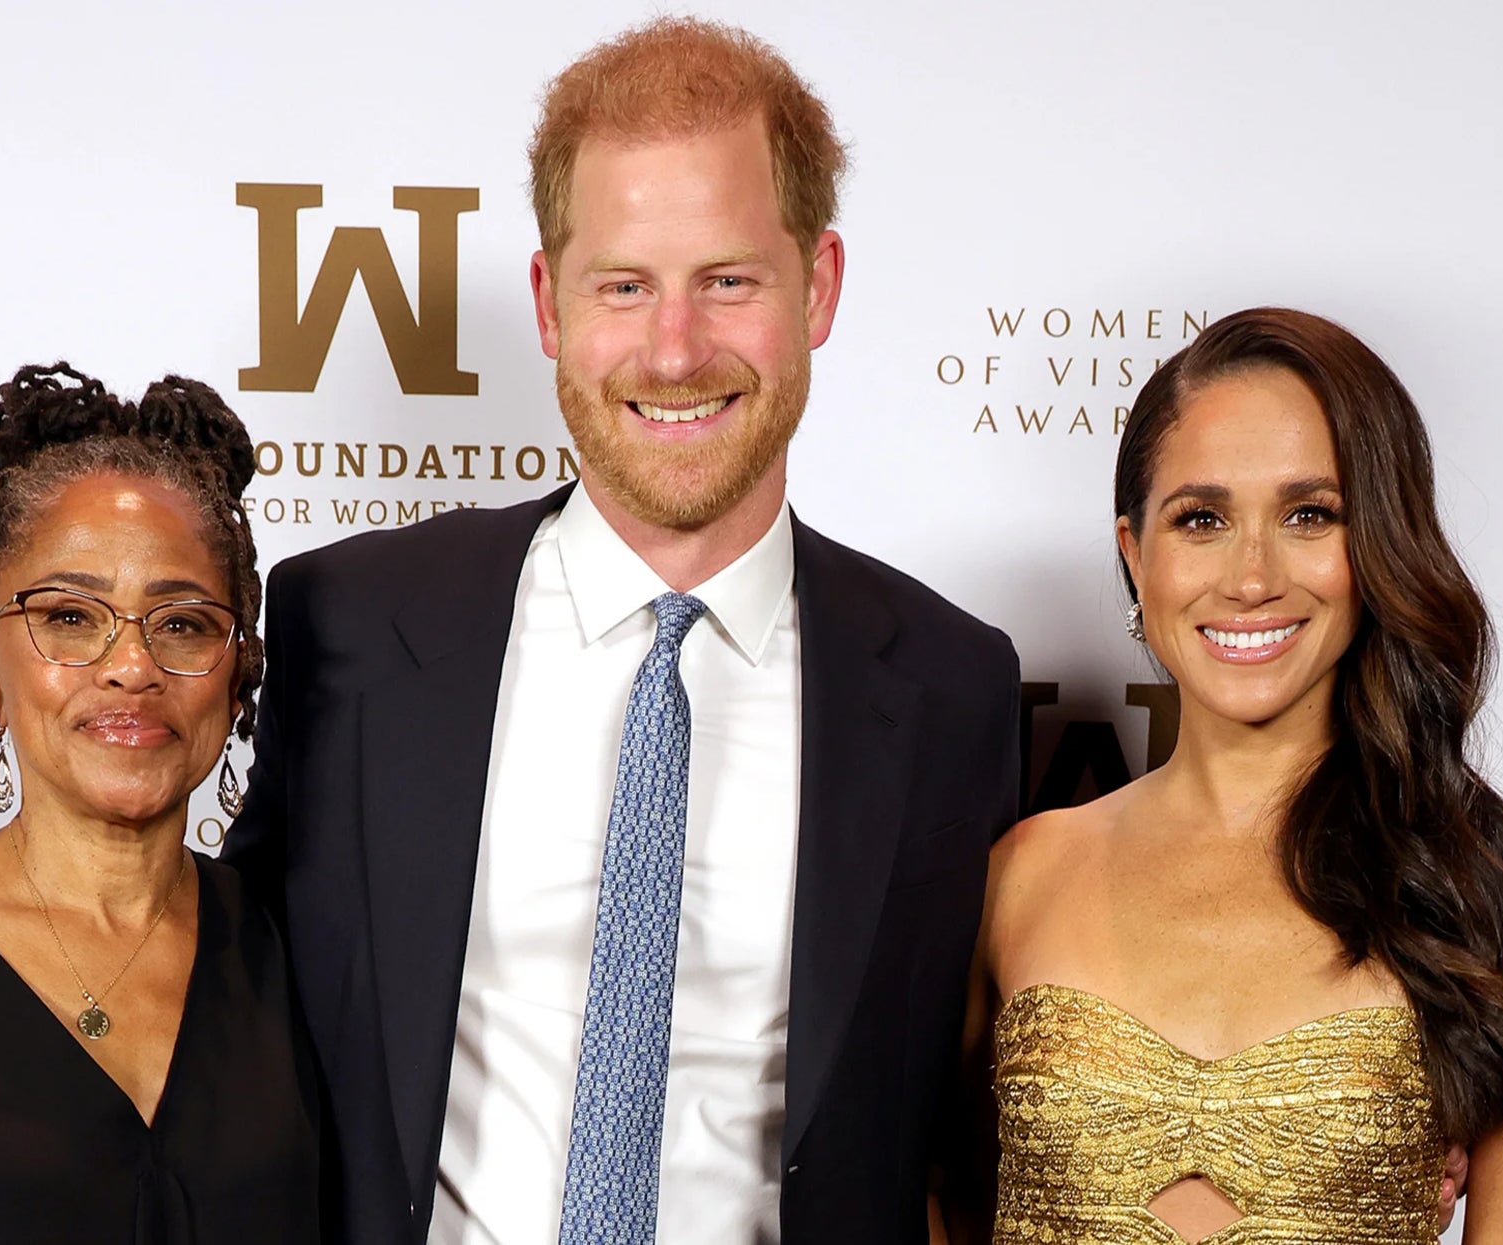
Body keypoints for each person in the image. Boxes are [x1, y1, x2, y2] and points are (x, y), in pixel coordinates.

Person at [220, 16, 1020, 1245]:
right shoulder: (353, 631)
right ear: (549, 302)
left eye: (729, 280)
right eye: (624, 285)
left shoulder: (952, 688)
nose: (674, 348)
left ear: (820, 287)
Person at [950, 307, 1503, 1242]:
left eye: (1309, 514)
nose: (1251, 577)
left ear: (1376, 544)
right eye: (1202, 518)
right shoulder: (1016, 877)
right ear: (1137, 553)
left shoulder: (1481, 880)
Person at [0, 365, 321, 1244]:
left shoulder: (306, 959)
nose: (131, 665)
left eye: (181, 622)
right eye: (72, 615)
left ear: (236, 675)